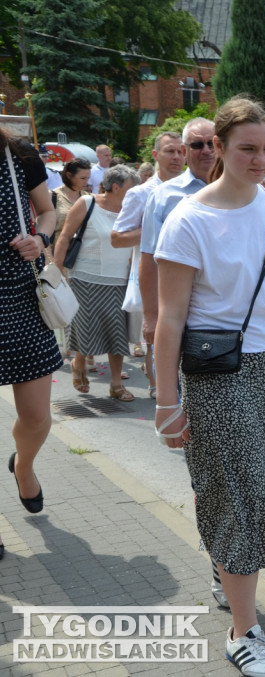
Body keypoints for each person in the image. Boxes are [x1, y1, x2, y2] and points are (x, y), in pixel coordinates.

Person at [153, 95, 265, 677]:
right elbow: (169, 320)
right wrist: (165, 402)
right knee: (244, 493)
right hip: (216, 374)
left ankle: (225, 561)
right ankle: (243, 632)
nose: (259, 159)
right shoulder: (188, 220)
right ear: (219, 149)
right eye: (247, 148)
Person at [2, 129, 61, 551]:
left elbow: (47, 211)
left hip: (21, 296)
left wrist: (39, 239)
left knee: (38, 416)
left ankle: (24, 466)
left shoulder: (19, 155)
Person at [54, 164, 139, 401]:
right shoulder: (87, 203)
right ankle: (78, 361)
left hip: (119, 279)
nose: (136, 194)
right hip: (84, 277)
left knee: (116, 331)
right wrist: (58, 271)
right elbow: (64, 237)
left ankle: (115, 385)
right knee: (84, 327)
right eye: (132, 189)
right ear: (115, 187)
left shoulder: (133, 211)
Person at [111, 131, 187, 397]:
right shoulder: (141, 194)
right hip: (154, 280)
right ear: (155, 155)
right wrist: (158, 230)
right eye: (170, 151)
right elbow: (117, 237)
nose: (176, 156)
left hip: (190, 282)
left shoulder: (198, 190)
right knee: (160, 341)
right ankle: (162, 391)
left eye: (180, 151)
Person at [138, 117, 215, 347]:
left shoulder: (241, 190)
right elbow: (149, 259)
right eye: (197, 145)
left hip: (226, 311)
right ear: (184, 150)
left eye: (212, 143)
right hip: (179, 310)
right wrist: (151, 316)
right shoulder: (163, 196)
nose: (206, 150)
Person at [52, 157, 92, 242]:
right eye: (83, 178)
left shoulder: (90, 198)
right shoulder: (53, 196)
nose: (86, 182)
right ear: (69, 175)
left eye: (88, 178)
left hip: (83, 251)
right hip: (57, 251)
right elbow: (44, 233)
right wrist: (49, 255)